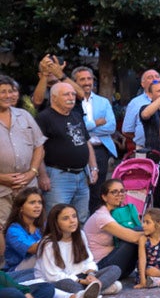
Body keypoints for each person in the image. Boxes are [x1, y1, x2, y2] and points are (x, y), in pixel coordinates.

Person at [35, 203, 120, 298]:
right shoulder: (48, 243)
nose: (72, 221)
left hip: (81, 276)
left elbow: (88, 260)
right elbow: (53, 276)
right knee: (69, 284)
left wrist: (91, 275)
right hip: (60, 281)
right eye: (65, 218)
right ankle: (92, 291)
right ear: (56, 222)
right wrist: (81, 281)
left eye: (74, 216)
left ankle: (89, 292)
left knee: (115, 269)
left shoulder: (80, 234)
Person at [35, 82, 98, 219]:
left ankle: (78, 241)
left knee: (81, 217)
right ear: (54, 97)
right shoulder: (44, 117)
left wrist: (93, 168)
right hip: (57, 176)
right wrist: (42, 175)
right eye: (66, 94)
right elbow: (37, 148)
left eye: (73, 94)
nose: (71, 97)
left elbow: (87, 143)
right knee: (57, 218)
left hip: (81, 175)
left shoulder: (76, 115)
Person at [0, 75, 45, 225]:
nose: (8, 96)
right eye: (2, 92)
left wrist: (32, 172)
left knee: (30, 226)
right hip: (2, 189)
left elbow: (39, 146)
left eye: (10, 91)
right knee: (3, 228)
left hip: (28, 186)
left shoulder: (24, 115)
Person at [72, 67, 117, 212]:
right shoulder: (71, 101)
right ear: (74, 82)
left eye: (89, 78)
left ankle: (94, 224)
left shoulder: (103, 102)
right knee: (80, 189)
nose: (87, 82)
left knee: (98, 191)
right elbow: (75, 128)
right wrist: (95, 123)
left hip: (100, 151)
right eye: (82, 79)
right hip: (79, 150)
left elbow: (111, 127)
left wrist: (86, 128)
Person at [83, 179, 143, 278]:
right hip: (101, 268)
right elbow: (133, 238)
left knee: (138, 230)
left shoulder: (122, 211)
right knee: (132, 238)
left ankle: (154, 268)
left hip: (120, 265)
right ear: (104, 197)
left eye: (122, 191)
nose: (120, 194)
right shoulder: (101, 216)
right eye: (114, 192)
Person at [3, 188, 45, 279]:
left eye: (40, 202)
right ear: (21, 208)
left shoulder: (43, 226)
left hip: (40, 269)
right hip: (16, 273)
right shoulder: (13, 230)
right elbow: (32, 249)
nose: (37, 206)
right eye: (32, 203)